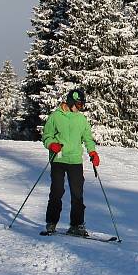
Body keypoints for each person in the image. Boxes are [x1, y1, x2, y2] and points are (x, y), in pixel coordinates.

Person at [42, 89, 99, 237]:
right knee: (57, 191)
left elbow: (88, 138)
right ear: (71, 101)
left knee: (77, 194)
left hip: (75, 160)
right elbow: (46, 136)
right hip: (58, 159)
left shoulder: (81, 119)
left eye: (81, 106)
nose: (80, 108)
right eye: (78, 105)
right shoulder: (55, 117)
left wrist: (92, 152)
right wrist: (51, 144)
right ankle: (51, 223)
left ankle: (76, 225)